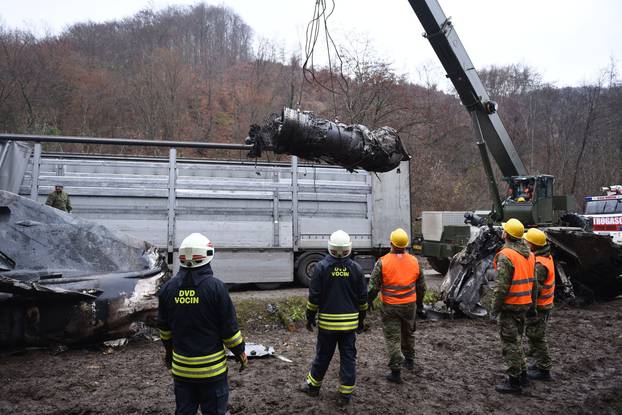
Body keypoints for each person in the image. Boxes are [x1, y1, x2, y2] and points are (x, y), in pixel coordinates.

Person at [157, 233, 248, 415]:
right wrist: (240, 352)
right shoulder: (216, 288)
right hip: (212, 373)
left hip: (182, 371)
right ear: (208, 255)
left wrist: (169, 354)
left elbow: (165, 331)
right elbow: (229, 331)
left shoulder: (168, 289)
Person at [301, 230, 368, 407]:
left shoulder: (321, 268)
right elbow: (363, 300)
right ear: (348, 248)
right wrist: (361, 321)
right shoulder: (356, 269)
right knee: (348, 358)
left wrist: (309, 318)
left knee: (322, 356)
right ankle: (345, 395)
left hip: (327, 326)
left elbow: (313, 299)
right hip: (349, 327)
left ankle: (313, 387)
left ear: (330, 247)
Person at [367, 228, 425, 384]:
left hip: (390, 307)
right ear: (406, 245)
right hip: (409, 306)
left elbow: (373, 287)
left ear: (391, 243)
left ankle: (396, 371)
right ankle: (410, 361)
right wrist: (419, 303)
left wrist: (368, 301)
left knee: (393, 338)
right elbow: (421, 286)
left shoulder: (383, 262)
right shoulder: (414, 261)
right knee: (408, 333)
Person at [491, 218, 537, 394]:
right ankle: (523, 375)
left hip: (510, 306)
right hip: (524, 304)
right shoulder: (530, 255)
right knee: (518, 340)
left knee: (510, 343)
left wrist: (494, 309)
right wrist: (532, 306)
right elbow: (534, 284)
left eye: (504, 230)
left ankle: (514, 382)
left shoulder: (506, 255)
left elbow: (501, 287)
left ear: (507, 235)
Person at [523, 228, 554, 381]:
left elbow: (536, 288)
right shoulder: (544, 257)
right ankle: (538, 363)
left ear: (534, 245)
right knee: (533, 334)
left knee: (537, 337)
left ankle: (544, 369)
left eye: (527, 241)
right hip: (545, 305)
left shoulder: (540, 265)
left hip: (540, 307)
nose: (524, 242)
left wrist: (530, 307)